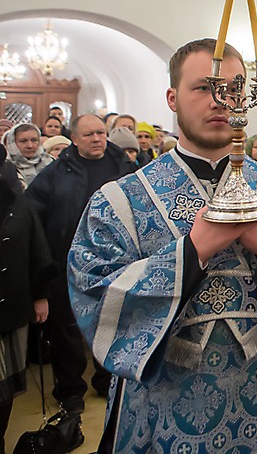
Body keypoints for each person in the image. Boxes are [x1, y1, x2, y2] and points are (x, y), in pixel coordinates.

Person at [68, 39, 257, 452]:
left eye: (234, 89)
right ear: (172, 98)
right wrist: (192, 250)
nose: (221, 101)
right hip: (161, 411)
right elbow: (94, 292)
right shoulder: (120, 200)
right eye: (203, 88)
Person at [26, 114, 135, 421]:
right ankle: (71, 391)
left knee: (112, 322)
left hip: (115, 261)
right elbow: (32, 214)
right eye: (88, 134)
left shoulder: (124, 166)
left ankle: (107, 380)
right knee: (66, 330)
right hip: (67, 261)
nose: (97, 139)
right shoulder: (57, 171)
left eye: (100, 132)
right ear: (74, 139)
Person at [0, 160, 57, 453]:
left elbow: (37, 250)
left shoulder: (18, 203)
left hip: (12, 306)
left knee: (5, 385)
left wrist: (40, 295)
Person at [7, 123, 53, 188]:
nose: (30, 146)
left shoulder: (51, 164)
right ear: (13, 143)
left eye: (34, 140)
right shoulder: (4, 168)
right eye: (23, 141)